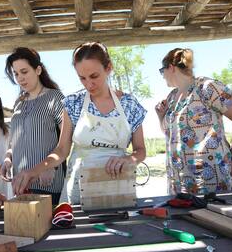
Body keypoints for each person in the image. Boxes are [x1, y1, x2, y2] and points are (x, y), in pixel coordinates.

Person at [11, 42, 147, 205]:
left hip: (117, 186)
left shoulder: (129, 104)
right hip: (78, 188)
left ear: (109, 68)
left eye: (94, 76)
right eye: (82, 78)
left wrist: (129, 159)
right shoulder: (73, 103)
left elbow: (141, 151)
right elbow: (61, 151)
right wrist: (33, 171)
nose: (88, 84)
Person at [155, 48, 232, 195]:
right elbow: (170, 134)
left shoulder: (207, 87)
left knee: (216, 217)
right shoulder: (172, 97)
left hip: (210, 180)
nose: (162, 76)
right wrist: (160, 116)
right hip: (178, 183)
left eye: (161, 71)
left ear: (170, 67)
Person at [1, 47, 66, 205]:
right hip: (21, 184)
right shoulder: (19, 102)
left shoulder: (55, 97)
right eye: (16, 74)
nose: (20, 78)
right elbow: (15, 140)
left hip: (47, 183)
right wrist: (8, 158)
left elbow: (67, 139)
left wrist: (53, 167)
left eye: (24, 72)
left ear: (38, 70)